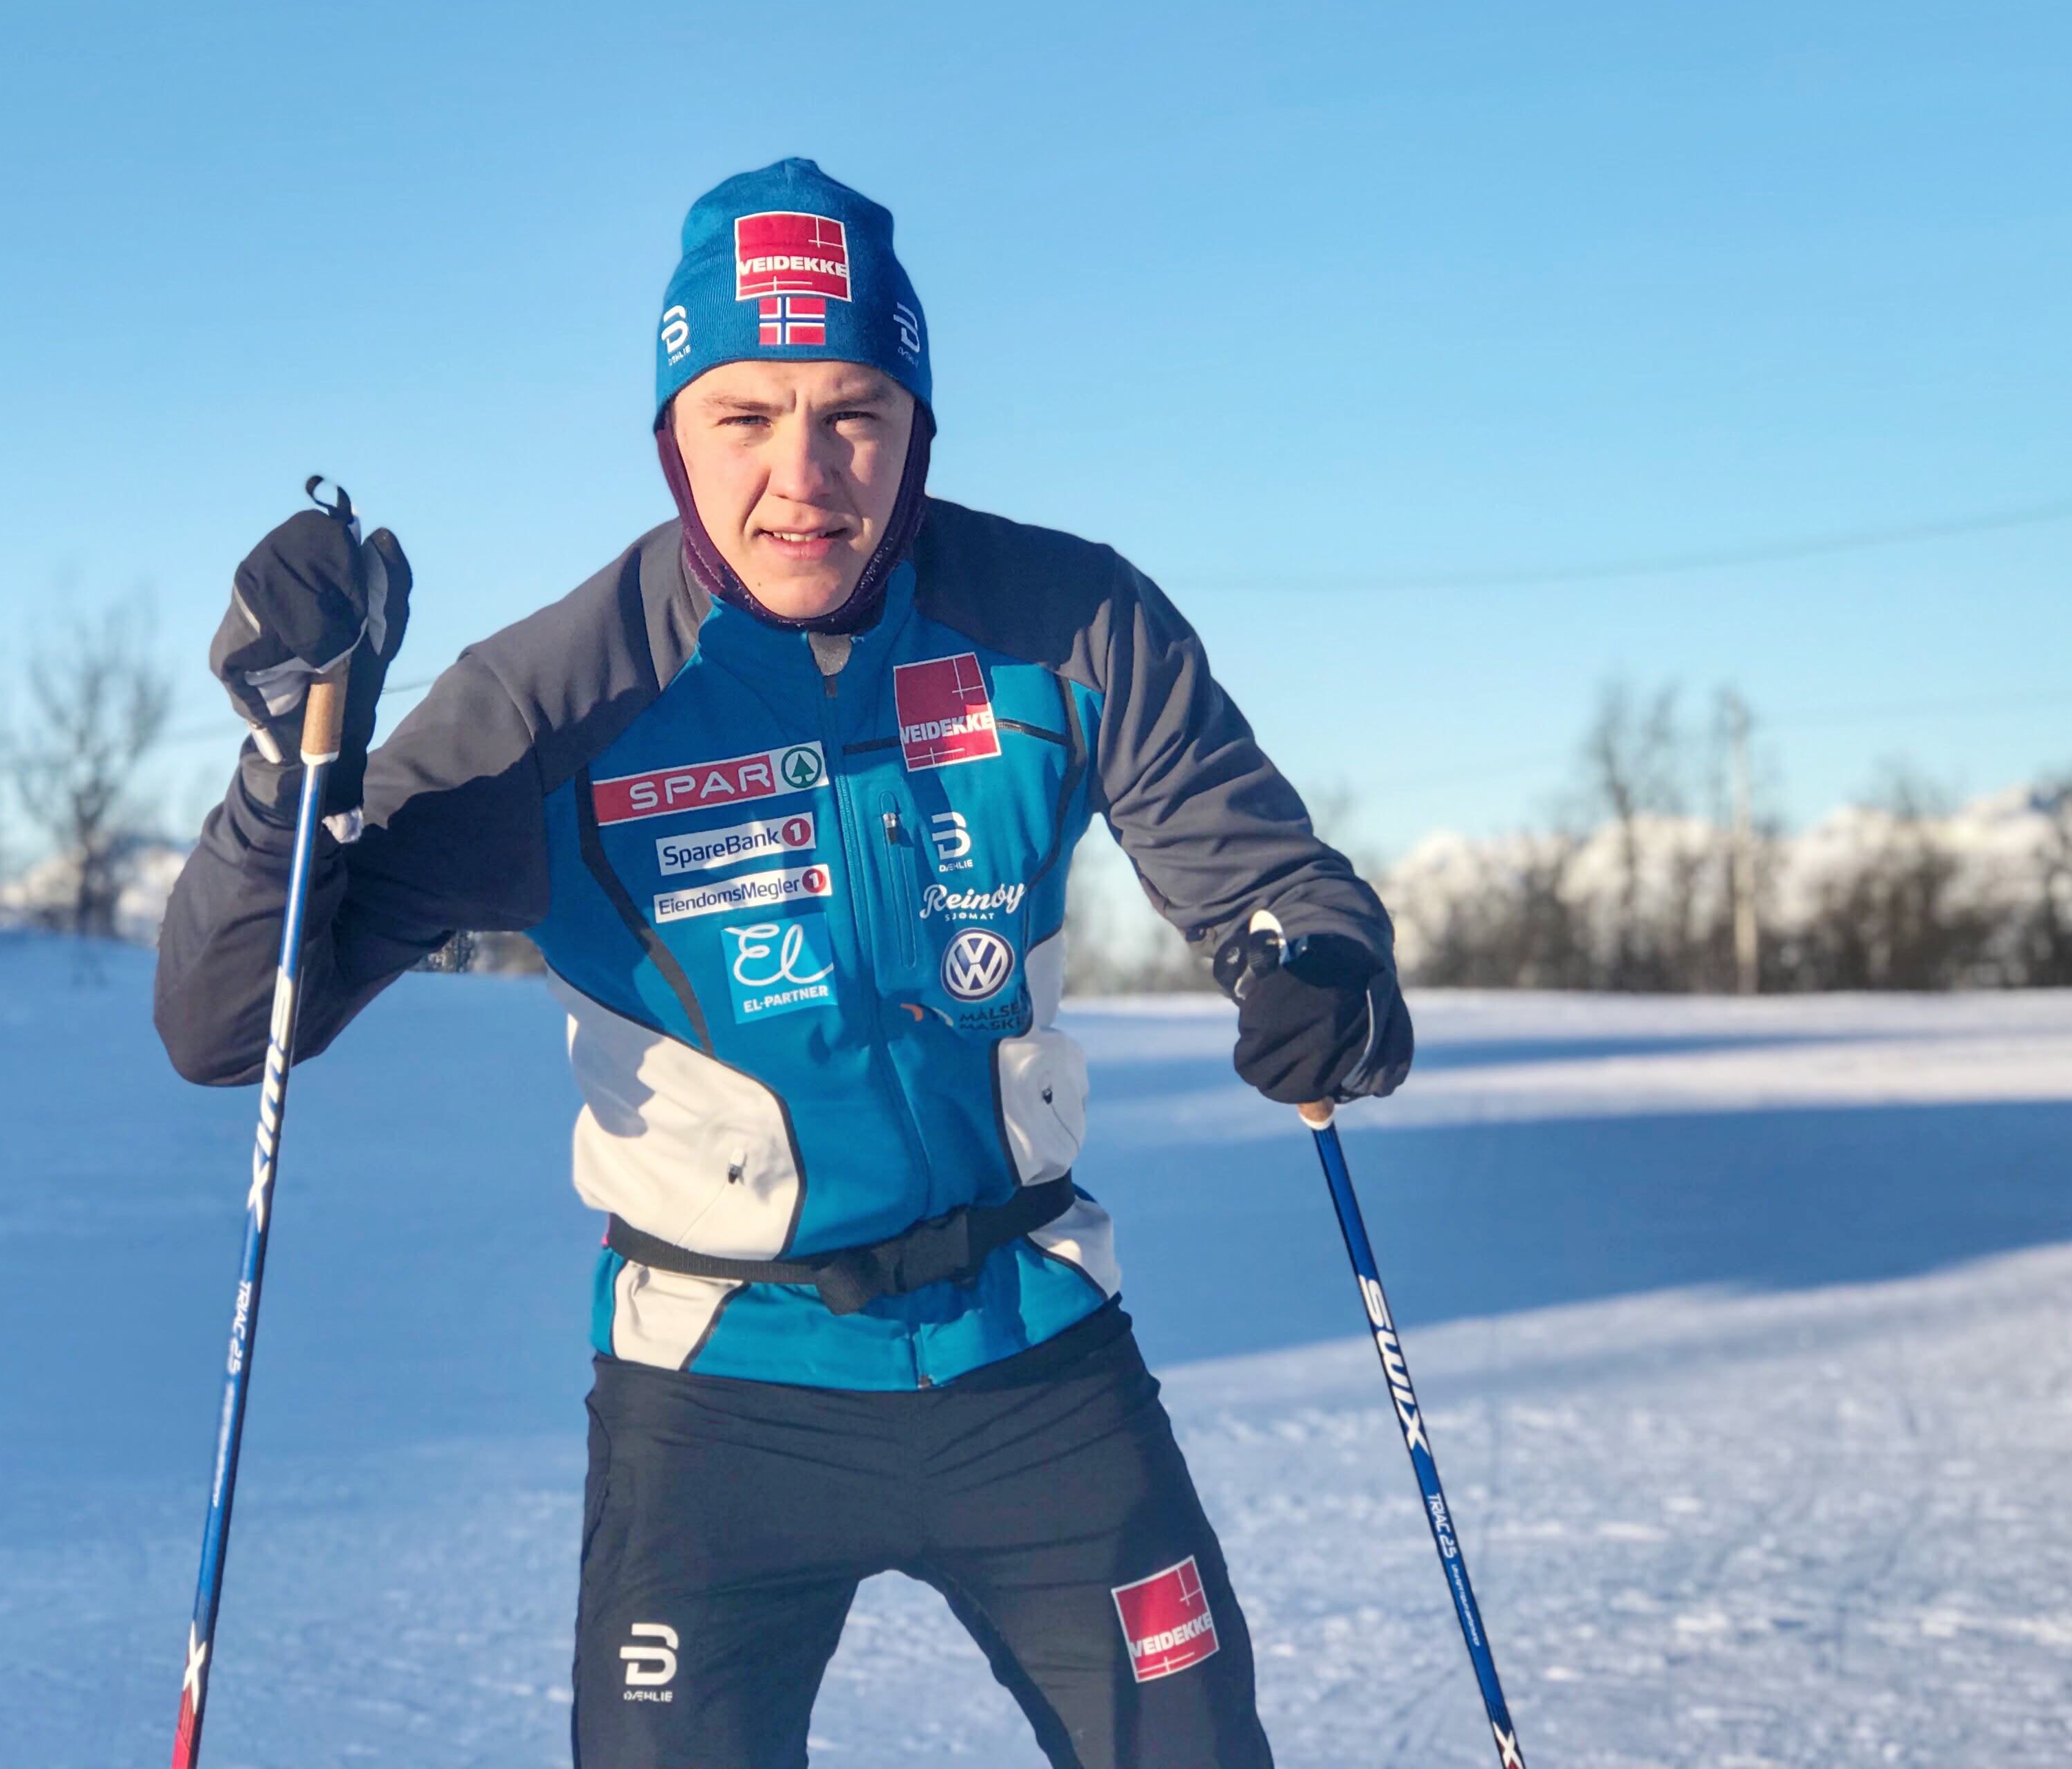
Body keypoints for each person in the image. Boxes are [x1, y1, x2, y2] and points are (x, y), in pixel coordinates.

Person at [155, 157, 1415, 1769]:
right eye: (745, 415)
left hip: (1027, 1349)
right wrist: (291, 766)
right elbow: (229, 1024)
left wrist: (1322, 976)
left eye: (853, 414)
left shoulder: (1070, 623)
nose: (803, 475)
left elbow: (1276, 886)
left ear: (917, 428)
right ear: (673, 434)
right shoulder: (553, 700)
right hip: (715, 1390)